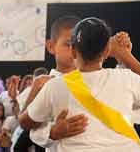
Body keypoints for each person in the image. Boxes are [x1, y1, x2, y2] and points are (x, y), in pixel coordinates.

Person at [19, 17, 140, 151]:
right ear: (106, 52)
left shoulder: (54, 86)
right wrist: (123, 54)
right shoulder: (48, 84)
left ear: (74, 50)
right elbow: (26, 125)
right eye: (66, 43)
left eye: (71, 44)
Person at [15, 16, 88, 152]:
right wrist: (52, 132)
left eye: (80, 45)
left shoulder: (93, 79)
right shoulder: (42, 84)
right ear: (50, 46)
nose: (75, 50)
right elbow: (27, 125)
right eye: (68, 44)